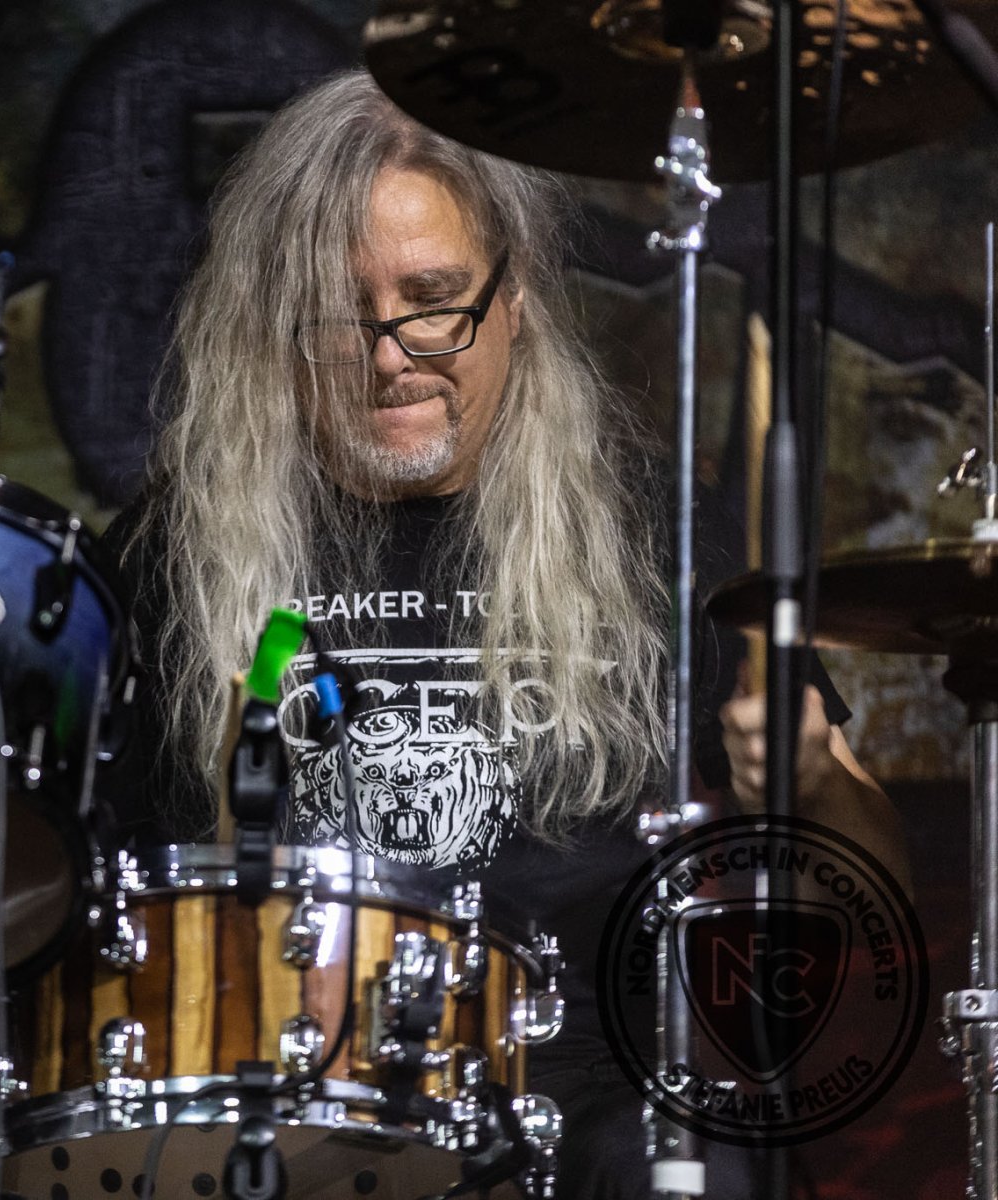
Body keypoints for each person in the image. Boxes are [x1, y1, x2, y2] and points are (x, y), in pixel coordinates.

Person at [101, 68, 906, 1200]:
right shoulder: (165, 554)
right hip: (278, 1097)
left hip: (586, 1108)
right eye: (339, 311)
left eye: (433, 300)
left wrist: (813, 784)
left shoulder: (659, 529)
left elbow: (868, 895)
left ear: (513, 297)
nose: (391, 354)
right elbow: (76, 912)